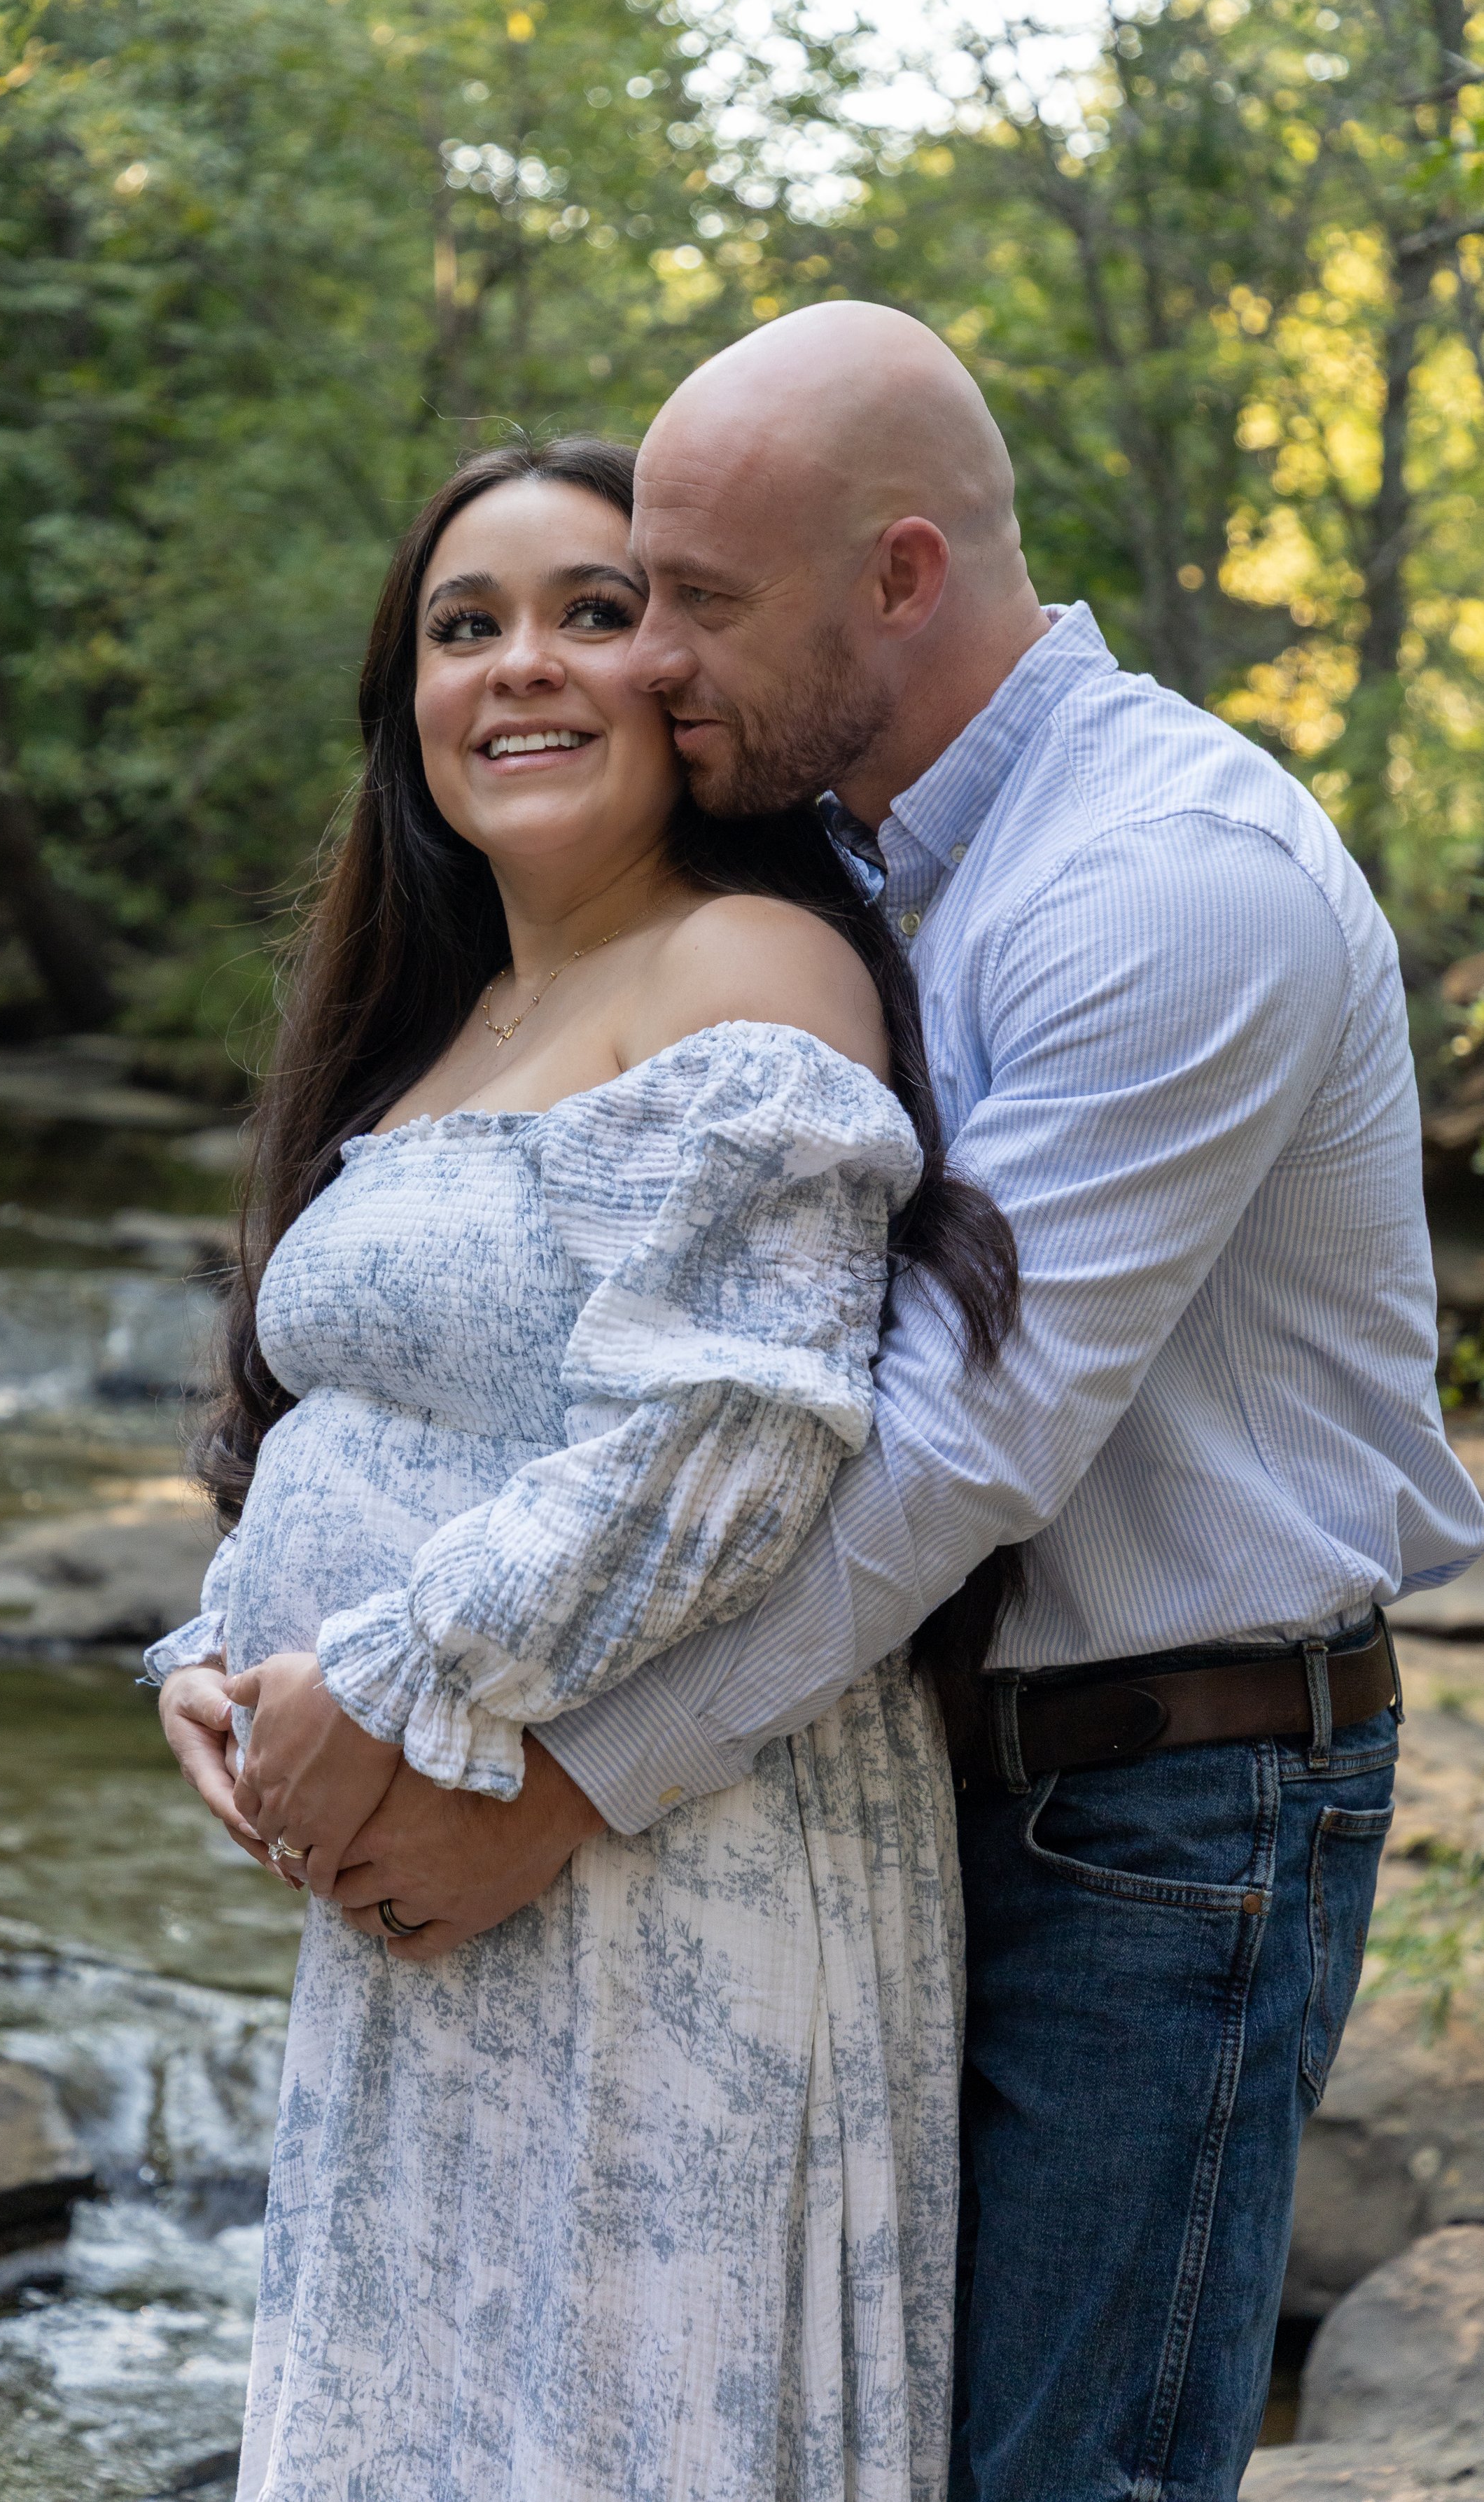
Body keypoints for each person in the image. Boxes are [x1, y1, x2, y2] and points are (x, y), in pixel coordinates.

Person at [278, 304, 1484, 2502]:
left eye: (693, 604)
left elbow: (943, 1444)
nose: (649, 665)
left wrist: (556, 1789)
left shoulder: (1163, 880)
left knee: (1064, 2478)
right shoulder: (852, 859)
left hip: (1161, 1808)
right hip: (892, 1777)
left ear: (901, 577)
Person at [146, 431, 1019, 2502]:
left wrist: (380, 1682)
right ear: (410, 707)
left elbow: (730, 1445)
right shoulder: (434, 1026)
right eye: (466, 627)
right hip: (428, 1867)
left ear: (685, 674)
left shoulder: (749, 968)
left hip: (659, 1864)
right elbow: (371, 1425)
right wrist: (214, 1665)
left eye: (594, 612)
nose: (521, 664)